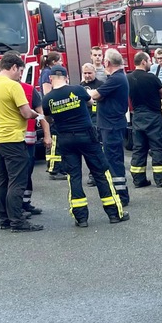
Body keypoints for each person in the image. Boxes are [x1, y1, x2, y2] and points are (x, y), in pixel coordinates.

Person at [41, 66, 129, 226]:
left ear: (51, 79)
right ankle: (114, 214)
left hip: (66, 140)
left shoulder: (47, 99)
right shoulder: (78, 90)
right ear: (67, 78)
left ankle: (81, 218)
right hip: (87, 136)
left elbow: (48, 119)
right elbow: (90, 102)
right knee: (101, 173)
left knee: (73, 176)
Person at [0, 52, 41, 231]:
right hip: (13, 138)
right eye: (20, 71)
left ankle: (4, 219)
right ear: (13, 67)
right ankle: (17, 221)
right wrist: (38, 115)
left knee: (2, 179)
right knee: (17, 180)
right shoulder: (13, 86)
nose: (20, 75)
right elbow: (26, 113)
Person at [88, 49, 131, 205]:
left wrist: (83, 91)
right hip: (111, 125)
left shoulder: (116, 79)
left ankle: (121, 195)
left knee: (114, 160)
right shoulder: (117, 78)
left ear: (107, 62)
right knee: (112, 159)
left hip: (111, 126)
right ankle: (118, 192)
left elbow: (96, 95)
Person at [127, 51, 162, 188]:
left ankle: (139, 180)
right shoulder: (152, 78)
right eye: (150, 61)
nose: (151, 63)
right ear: (143, 61)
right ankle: (159, 179)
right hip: (153, 116)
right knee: (157, 147)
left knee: (139, 148)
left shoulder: (128, 78)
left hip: (137, 116)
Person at [18, 80, 49, 217]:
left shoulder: (29, 90)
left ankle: (25, 203)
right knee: (15, 174)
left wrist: (47, 135)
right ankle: (16, 206)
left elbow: (42, 114)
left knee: (28, 171)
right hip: (10, 140)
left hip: (28, 139)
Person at [39, 51, 66, 180]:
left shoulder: (46, 72)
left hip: (54, 110)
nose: (61, 63)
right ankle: (54, 169)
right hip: (52, 111)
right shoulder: (47, 74)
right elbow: (47, 93)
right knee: (55, 141)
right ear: (54, 62)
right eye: (60, 60)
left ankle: (58, 167)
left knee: (57, 140)